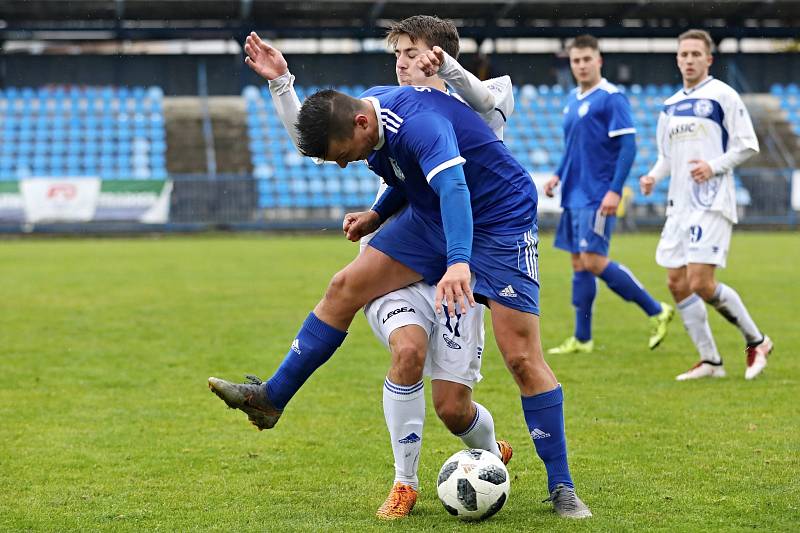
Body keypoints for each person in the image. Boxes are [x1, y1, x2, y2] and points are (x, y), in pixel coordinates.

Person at [210, 81, 592, 517]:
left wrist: (459, 262)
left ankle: (562, 486)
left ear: (360, 123)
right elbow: (406, 171)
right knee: (343, 288)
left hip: (500, 222)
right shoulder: (371, 120)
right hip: (432, 218)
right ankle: (271, 398)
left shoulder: (420, 124)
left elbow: (454, 189)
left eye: (340, 154)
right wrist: (377, 212)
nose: (340, 165)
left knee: (522, 358)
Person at [237, 17, 516, 519]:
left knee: (453, 409)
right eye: (398, 55)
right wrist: (283, 85)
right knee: (369, 311)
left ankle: (492, 453)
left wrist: (458, 262)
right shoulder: (385, 109)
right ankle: (395, 477)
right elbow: (328, 142)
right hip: (416, 236)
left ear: (440, 58)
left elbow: (457, 169)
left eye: (414, 53)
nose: (403, 63)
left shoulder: (467, 108)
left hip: (463, 245)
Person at [639, 29, 772, 381]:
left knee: (700, 281)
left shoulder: (723, 96)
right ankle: (711, 361)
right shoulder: (669, 106)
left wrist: (712, 166)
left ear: (708, 59)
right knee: (676, 282)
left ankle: (756, 341)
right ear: (677, 59)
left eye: (696, 54)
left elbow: (747, 144)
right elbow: (665, 157)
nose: (689, 60)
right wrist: (653, 176)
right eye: (684, 54)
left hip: (711, 202)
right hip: (678, 205)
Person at [544, 34, 674, 355]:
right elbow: (572, 148)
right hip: (573, 195)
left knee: (593, 259)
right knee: (579, 264)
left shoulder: (611, 98)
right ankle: (583, 338)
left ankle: (657, 310)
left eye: (587, 59)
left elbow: (628, 147)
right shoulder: (572, 100)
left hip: (597, 195)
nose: (582, 65)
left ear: (599, 60)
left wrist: (614, 191)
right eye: (576, 60)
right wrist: (558, 176)